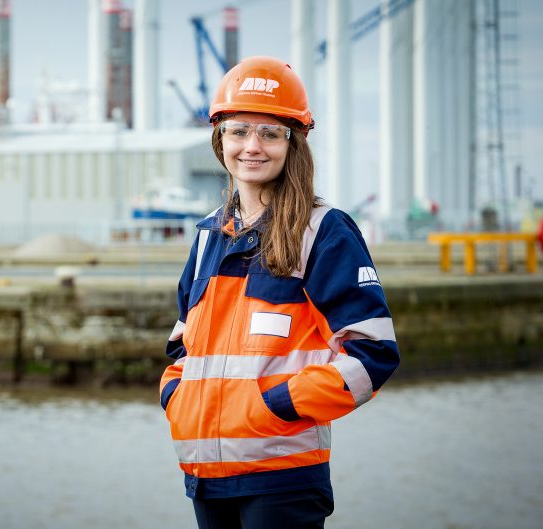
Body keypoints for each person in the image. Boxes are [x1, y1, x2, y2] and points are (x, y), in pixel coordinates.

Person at [159, 56, 400, 529]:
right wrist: (177, 397)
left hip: (282, 479)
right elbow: (182, 344)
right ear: (220, 139)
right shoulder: (210, 233)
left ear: (294, 144)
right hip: (205, 474)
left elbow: (373, 353)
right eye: (239, 131)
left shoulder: (324, 232)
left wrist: (276, 406)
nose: (253, 146)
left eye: (270, 133)